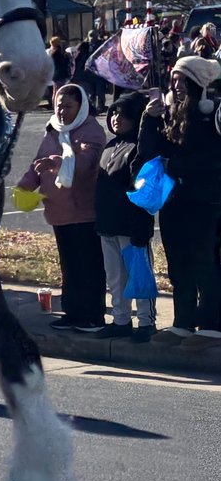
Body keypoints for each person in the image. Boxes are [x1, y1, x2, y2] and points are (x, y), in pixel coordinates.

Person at [138, 55, 221, 342]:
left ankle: (211, 323)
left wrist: (179, 166)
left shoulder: (212, 114)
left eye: (182, 79)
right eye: (174, 79)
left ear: (197, 83)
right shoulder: (168, 115)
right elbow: (149, 154)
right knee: (178, 262)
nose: (176, 85)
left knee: (204, 261)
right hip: (173, 201)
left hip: (205, 201)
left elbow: (215, 157)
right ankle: (182, 321)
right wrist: (148, 121)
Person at [17, 82, 107, 331]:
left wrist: (59, 163)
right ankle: (73, 312)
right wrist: (24, 186)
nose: (62, 112)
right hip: (58, 212)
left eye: (68, 107)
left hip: (84, 211)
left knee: (88, 265)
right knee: (69, 266)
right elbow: (37, 163)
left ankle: (92, 315)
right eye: (59, 106)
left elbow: (87, 163)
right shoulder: (52, 130)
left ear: (81, 107)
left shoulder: (91, 131)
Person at [94, 93, 157, 342]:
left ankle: (146, 322)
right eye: (114, 113)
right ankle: (121, 320)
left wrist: (141, 225)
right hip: (108, 223)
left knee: (138, 275)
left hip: (132, 225)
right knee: (115, 277)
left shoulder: (141, 147)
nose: (117, 118)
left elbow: (141, 185)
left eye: (123, 113)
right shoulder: (111, 146)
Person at [46, 36, 71, 108]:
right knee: (59, 91)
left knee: (55, 91)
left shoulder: (50, 52)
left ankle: (55, 105)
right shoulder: (58, 52)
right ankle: (57, 105)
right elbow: (64, 62)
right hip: (60, 74)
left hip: (55, 75)